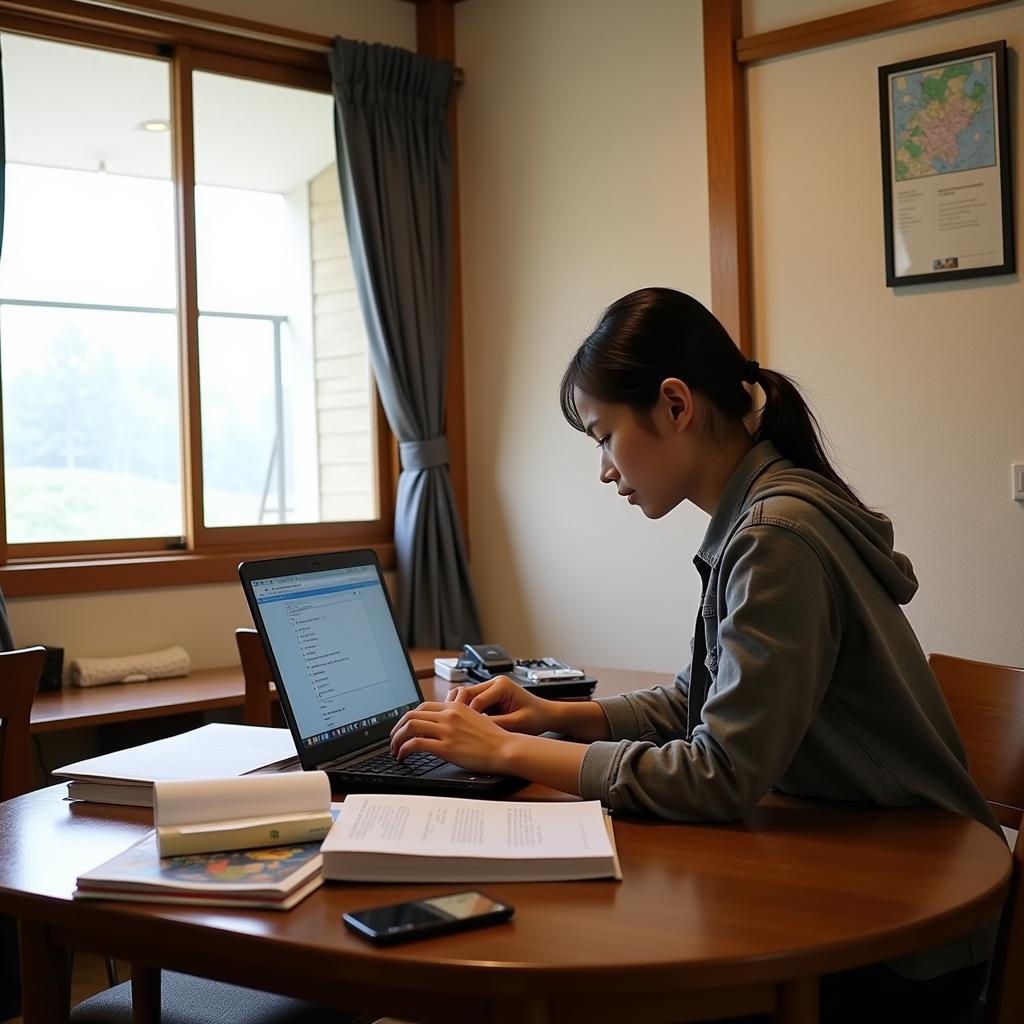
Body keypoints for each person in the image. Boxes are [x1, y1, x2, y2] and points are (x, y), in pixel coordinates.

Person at [390, 287, 1000, 1023]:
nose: (606, 469)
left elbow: (719, 773)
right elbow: (695, 701)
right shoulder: (762, 511)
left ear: (675, 406)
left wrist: (506, 754)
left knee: (602, 980)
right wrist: (551, 716)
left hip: (911, 944)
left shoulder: (775, 535)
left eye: (604, 435)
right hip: (892, 876)